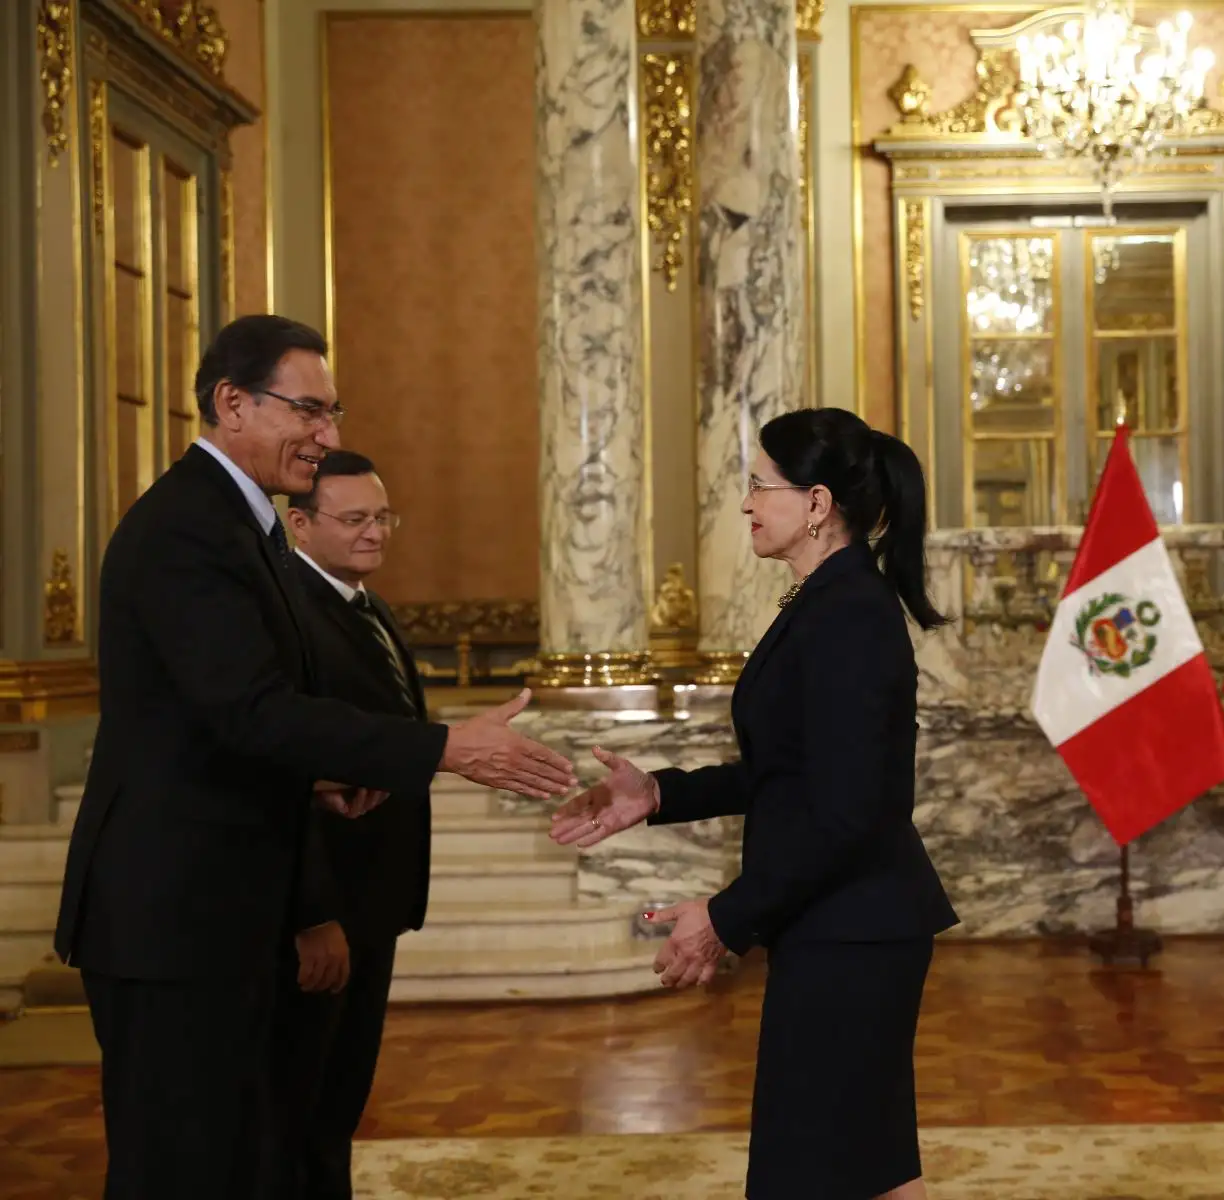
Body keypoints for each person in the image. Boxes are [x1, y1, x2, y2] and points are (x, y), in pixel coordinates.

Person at [53, 314, 578, 1200]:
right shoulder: (188, 528)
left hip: (220, 908)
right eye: (309, 411)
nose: (328, 436)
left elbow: (226, 720)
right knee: (179, 1172)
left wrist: (326, 775)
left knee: (243, 1161)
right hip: (174, 916)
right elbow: (251, 710)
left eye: (332, 413)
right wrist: (444, 746)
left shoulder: (239, 524)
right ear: (232, 403)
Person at [550, 407, 959, 1200]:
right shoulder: (827, 602)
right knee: (856, 1168)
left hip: (856, 933)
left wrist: (727, 915)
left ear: (815, 504)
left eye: (758, 486)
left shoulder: (848, 616)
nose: (743, 503)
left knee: (819, 1171)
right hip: (842, 927)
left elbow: (851, 813)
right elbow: (785, 772)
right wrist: (658, 793)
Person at [264, 450, 431, 1200]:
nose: (374, 534)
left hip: (375, 899)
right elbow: (280, 774)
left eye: (382, 517)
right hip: (326, 905)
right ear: (299, 523)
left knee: (336, 1108)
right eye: (354, 519)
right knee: (298, 1112)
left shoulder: (365, 604)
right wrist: (312, 912)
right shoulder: (291, 614)